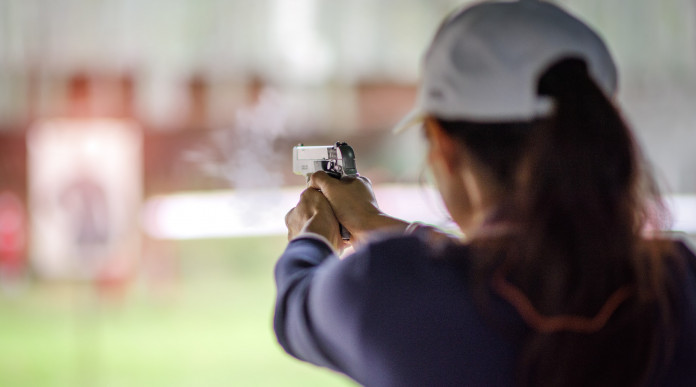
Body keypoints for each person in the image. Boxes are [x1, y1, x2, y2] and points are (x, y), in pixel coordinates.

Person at [273, 1, 696, 386]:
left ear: (443, 145)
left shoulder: (387, 286)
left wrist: (310, 234)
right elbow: (523, 277)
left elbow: (295, 305)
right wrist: (376, 225)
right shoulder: (679, 282)